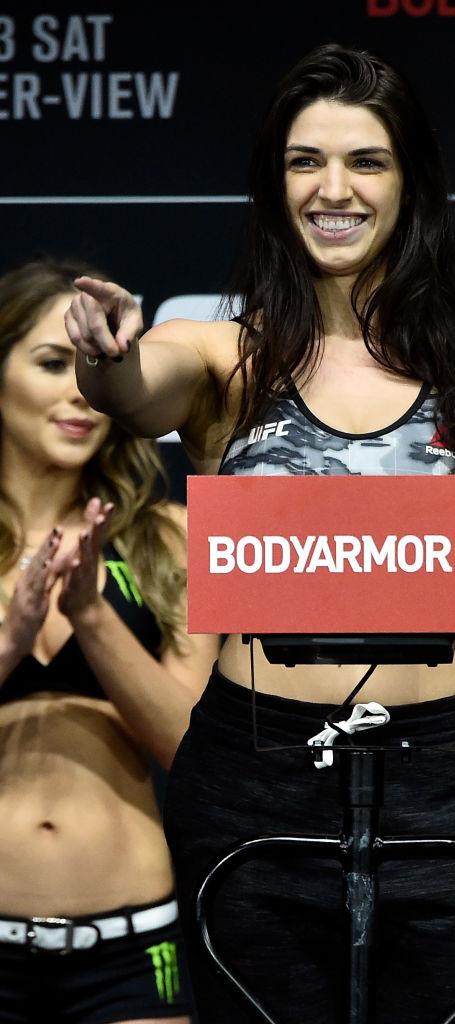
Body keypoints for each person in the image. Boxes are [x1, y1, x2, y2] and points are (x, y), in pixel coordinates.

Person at [64, 45, 455, 1024]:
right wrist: (102, 353)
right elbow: (129, 392)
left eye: (365, 161)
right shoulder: (220, 355)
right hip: (253, 773)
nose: (333, 189)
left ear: (411, 183)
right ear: (273, 185)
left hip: (450, 771)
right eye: (303, 161)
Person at [0, 259, 218, 1024]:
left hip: (133, 948)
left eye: (95, 366)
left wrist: (91, 617)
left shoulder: (172, 540)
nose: (79, 392)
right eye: (53, 362)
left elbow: (191, 746)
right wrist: (10, 642)